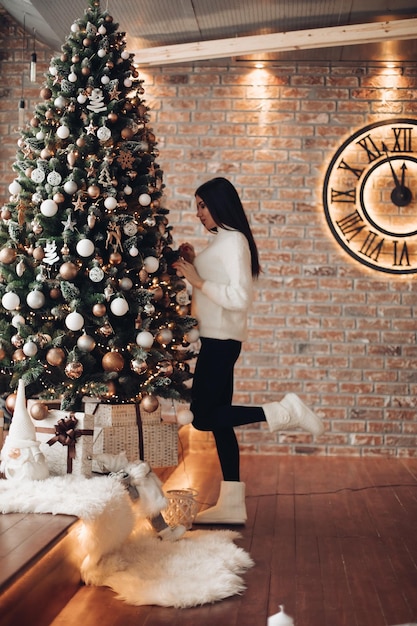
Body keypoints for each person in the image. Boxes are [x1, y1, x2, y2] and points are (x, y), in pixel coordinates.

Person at [173, 177, 324, 525]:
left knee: (204, 417)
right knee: (221, 422)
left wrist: (197, 279)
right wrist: (196, 262)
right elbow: (219, 287)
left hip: (222, 341)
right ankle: (232, 504)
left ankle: (283, 410)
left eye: (202, 205)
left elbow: (240, 299)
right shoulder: (221, 242)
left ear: (219, 203)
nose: (198, 213)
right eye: (197, 206)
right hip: (216, 339)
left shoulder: (234, 241)